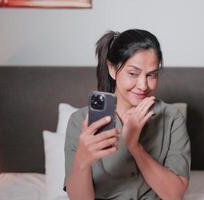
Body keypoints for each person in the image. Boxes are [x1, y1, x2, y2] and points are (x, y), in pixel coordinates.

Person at [64, 29, 191, 200]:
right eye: (133, 73)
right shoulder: (79, 121)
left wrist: (134, 146)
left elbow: (175, 195)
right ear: (112, 69)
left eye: (151, 75)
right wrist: (82, 161)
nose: (143, 85)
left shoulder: (172, 118)